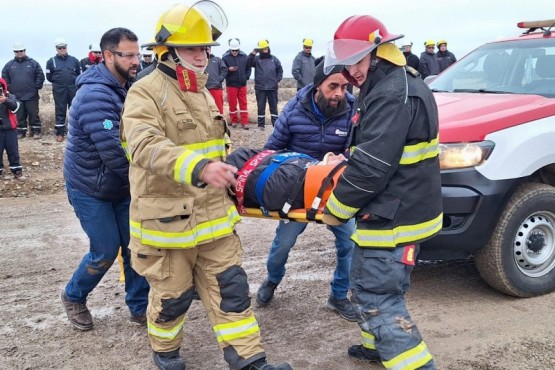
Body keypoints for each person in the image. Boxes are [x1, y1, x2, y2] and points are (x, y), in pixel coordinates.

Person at [120, 3, 292, 370]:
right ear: (167, 51)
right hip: (167, 227)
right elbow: (144, 146)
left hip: (214, 219)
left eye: (205, 48)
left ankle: (251, 361)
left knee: (231, 293)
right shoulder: (145, 92)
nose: (202, 55)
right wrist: (199, 167)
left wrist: (232, 161)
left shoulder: (199, 91)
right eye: (192, 48)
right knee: (172, 299)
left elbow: (212, 148)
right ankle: (165, 353)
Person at [322, 15, 443, 369]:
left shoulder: (391, 93)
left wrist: (336, 208)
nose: (352, 71)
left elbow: (371, 167)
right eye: (348, 63)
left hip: (393, 217)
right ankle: (377, 345)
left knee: (378, 295)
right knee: (371, 286)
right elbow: (375, 151)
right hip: (402, 208)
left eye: (358, 60)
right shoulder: (391, 84)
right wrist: (343, 158)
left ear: (378, 52)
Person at [60, 27, 149, 332]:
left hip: (120, 184)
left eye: (137, 54)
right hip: (90, 186)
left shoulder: (125, 87)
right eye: (129, 55)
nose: (136, 60)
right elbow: (114, 154)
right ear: (109, 56)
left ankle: (139, 307)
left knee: (135, 245)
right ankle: (74, 295)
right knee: (106, 249)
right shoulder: (95, 95)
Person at [256, 60, 357, 322]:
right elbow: (271, 152)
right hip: (297, 192)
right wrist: (299, 166)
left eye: (344, 86)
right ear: (317, 85)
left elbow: (355, 150)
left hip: (335, 191)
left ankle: (338, 295)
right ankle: (272, 279)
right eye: (332, 86)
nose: (339, 93)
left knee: (350, 242)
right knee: (283, 244)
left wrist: (341, 159)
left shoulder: (352, 111)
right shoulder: (293, 111)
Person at [2, 43, 45, 139]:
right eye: (17, 51)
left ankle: (36, 131)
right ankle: (21, 132)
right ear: (14, 52)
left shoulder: (33, 63)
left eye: (21, 51)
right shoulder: (9, 65)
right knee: (19, 115)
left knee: (33, 114)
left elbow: (40, 75)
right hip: (16, 96)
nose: (19, 53)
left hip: (31, 95)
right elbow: (4, 78)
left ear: (25, 51)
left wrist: (36, 87)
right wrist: (10, 89)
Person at [45, 38, 81, 142]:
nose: (62, 49)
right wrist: (58, 82)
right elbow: (49, 77)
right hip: (59, 88)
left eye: (63, 47)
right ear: (56, 49)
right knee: (60, 109)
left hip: (72, 88)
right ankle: (60, 133)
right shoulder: (51, 61)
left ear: (66, 47)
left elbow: (79, 74)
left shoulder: (74, 60)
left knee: (74, 109)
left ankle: (75, 132)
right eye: (59, 48)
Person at [247, 39, 283, 130]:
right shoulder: (256, 59)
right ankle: (261, 125)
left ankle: (275, 124)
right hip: (260, 87)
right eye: (263, 49)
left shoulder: (274, 59)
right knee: (261, 106)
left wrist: (276, 80)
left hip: (272, 87)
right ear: (260, 50)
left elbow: (280, 70)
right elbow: (248, 63)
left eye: (266, 48)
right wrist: (253, 53)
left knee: (274, 107)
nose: (265, 50)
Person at [222, 37, 251, 129]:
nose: (235, 52)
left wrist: (246, 77)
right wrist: (228, 69)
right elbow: (222, 70)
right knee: (232, 103)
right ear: (230, 49)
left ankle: (245, 122)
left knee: (243, 103)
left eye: (236, 50)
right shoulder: (225, 57)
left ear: (239, 48)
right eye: (233, 50)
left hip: (242, 84)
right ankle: (234, 120)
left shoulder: (244, 56)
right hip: (231, 85)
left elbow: (248, 68)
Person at [0, 78, 25, 181]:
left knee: (13, 151)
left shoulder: (11, 96)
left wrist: (5, 100)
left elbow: (16, 107)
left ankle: (17, 171)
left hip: (10, 129)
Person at [206, 45, 227, 114]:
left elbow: (224, 70)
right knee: (206, 110)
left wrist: (218, 80)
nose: (206, 50)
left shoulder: (217, 59)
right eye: (203, 48)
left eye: (207, 48)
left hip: (216, 88)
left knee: (218, 108)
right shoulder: (198, 60)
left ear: (210, 49)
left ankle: (220, 124)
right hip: (203, 89)